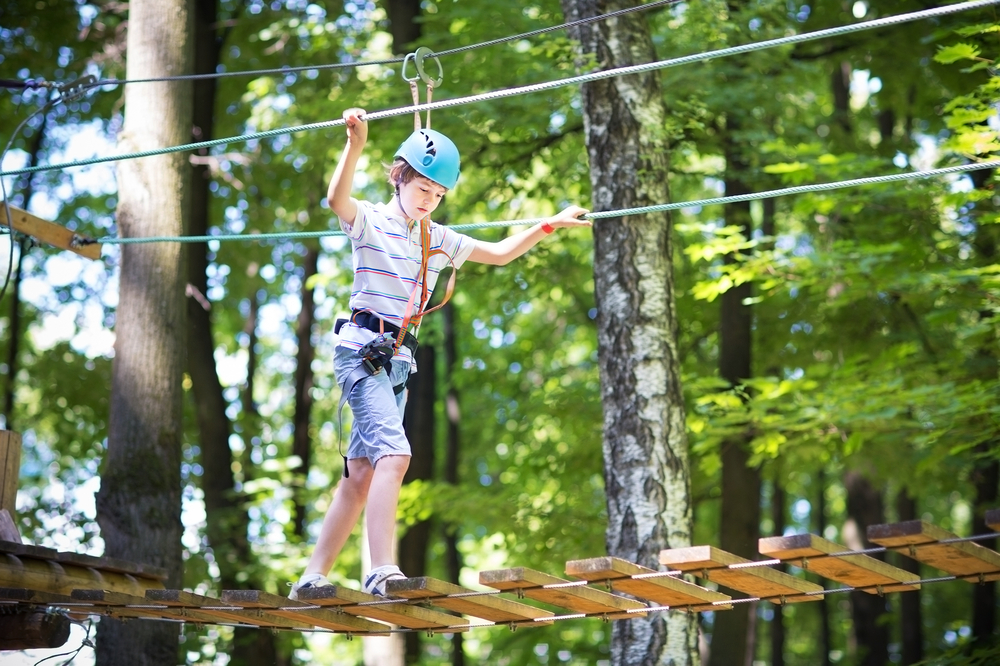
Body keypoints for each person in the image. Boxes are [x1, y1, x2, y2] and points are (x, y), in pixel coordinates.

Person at [289, 107, 590, 600]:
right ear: (400, 178)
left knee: (363, 472)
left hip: (396, 362)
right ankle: (381, 571)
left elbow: (498, 252)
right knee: (396, 454)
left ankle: (309, 578)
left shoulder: (438, 238)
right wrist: (355, 144)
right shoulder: (369, 222)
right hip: (362, 351)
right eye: (422, 188)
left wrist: (549, 225)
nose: (429, 199)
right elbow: (335, 198)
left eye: (438, 194)